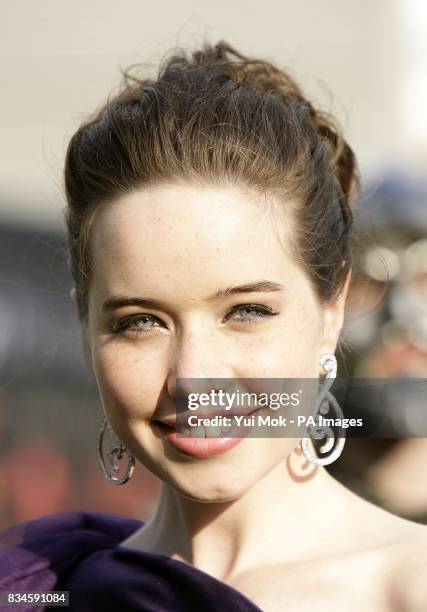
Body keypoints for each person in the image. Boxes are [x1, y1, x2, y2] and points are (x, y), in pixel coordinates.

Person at [1, 40, 426, 612]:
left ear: (332, 310)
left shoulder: (408, 588)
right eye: (140, 322)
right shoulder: (38, 587)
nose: (193, 377)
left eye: (247, 312)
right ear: (86, 326)